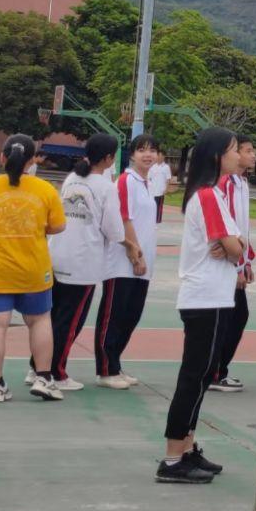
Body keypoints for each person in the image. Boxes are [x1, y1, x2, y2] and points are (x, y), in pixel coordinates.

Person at [159, 128, 249, 484]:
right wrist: (234, 244)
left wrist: (232, 244)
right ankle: (171, 458)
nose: (237, 156)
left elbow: (232, 244)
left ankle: (186, 446)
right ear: (217, 156)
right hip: (206, 297)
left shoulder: (212, 195)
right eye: (231, 150)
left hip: (213, 295)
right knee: (193, 378)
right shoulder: (209, 196)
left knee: (200, 376)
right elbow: (235, 247)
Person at [0, 135, 67, 404]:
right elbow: (58, 226)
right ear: (32, 160)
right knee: (40, 320)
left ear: (2, 157)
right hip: (33, 267)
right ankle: (43, 377)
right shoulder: (45, 190)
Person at [43, 133, 124, 392]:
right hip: (82, 261)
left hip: (57, 254)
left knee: (52, 317)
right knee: (69, 322)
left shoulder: (72, 178)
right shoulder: (105, 187)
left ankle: (38, 367)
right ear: (110, 158)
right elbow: (114, 230)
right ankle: (56, 372)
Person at [94, 136, 162, 388]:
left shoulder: (147, 184)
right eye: (142, 150)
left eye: (153, 150)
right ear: (132, 155)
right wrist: (135, 255)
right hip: (124, 264)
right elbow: (124, 218)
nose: (148, 154)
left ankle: (115, 364)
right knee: (113, 316)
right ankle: (104, 370)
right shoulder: (126, 181)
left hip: (142, 267)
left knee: (130, 316)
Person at [205, 136, 256, 392]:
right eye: (248, 151)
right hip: (228, 262)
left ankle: (219, 369)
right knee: (230, 317)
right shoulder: (225, 184)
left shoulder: (241, 182)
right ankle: (215, 371)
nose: (253, 155)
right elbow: (228, 226)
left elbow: (242, 228)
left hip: (238, 259)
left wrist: (246, 261)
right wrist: (237, 264)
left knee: (237, 316)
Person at [147, 152, 174, 225]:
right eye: (158, 156)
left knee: (159, 206)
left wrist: (166, 189)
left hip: (160, 190)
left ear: (164, 157)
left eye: (161, 156)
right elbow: (149, 177)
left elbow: (168, 179)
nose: (159, 157)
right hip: (152, 190)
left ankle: (157, 220)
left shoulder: (166, 167)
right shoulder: (153, 166)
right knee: (152, 205)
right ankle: (151, 218)